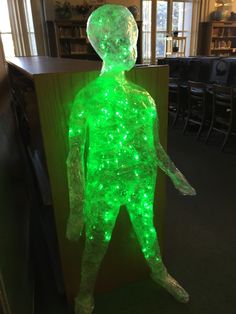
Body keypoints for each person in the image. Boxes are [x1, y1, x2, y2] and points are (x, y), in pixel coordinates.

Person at [66, 4, 196, 314]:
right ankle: (85, 293)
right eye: (119, 39)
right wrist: (76, 208)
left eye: (131, 37)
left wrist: (175, 174)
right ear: (100, 43)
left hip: (140, 180)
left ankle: (158, 272)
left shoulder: (143, 98)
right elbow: (73, 156)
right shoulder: (87, 98)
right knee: (96, 245)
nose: (127, 47)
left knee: (147, 232)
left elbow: (154, 147)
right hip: (102, 187)